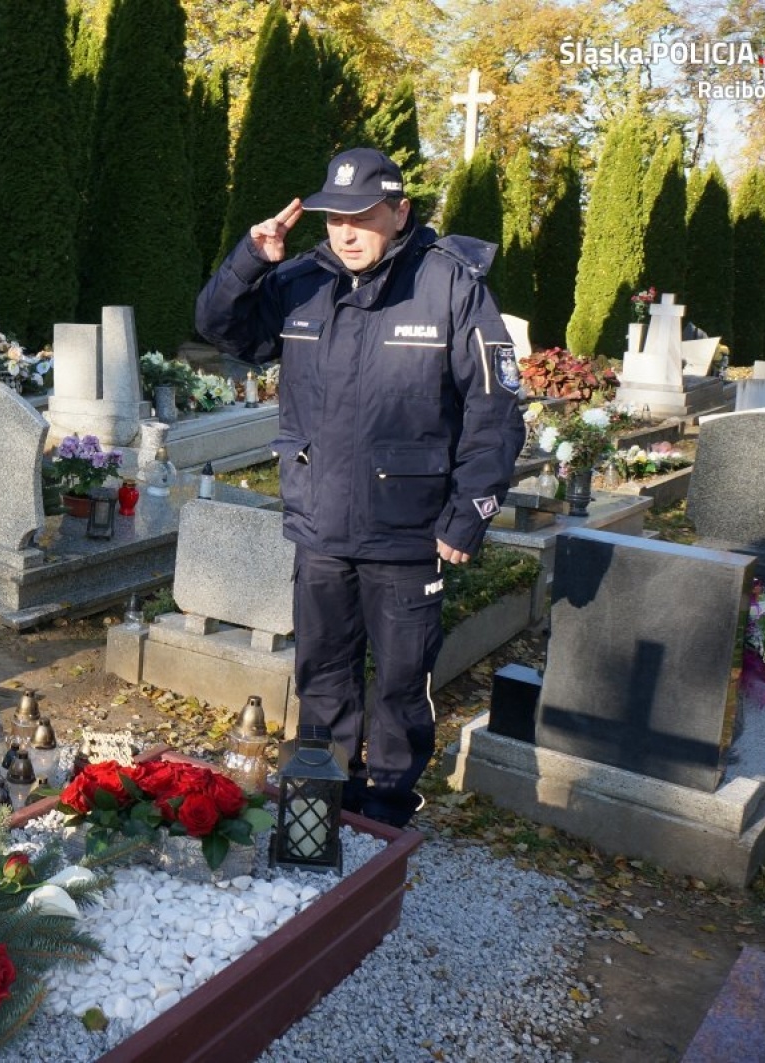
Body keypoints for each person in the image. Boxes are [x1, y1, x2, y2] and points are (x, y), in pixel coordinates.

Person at [195, 147, 525, 827]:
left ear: (400, 213)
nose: (346, 233)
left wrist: (469, 513)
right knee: (321, 678)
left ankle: (385, 816)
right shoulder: (302, 280)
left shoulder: (449, 283)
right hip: (320, 525)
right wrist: (251, 260)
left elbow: (495, 409)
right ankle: (320, 808)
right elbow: (221, 328)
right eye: (334, 219)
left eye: (363, 217)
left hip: (407, 533)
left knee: (401, 688)